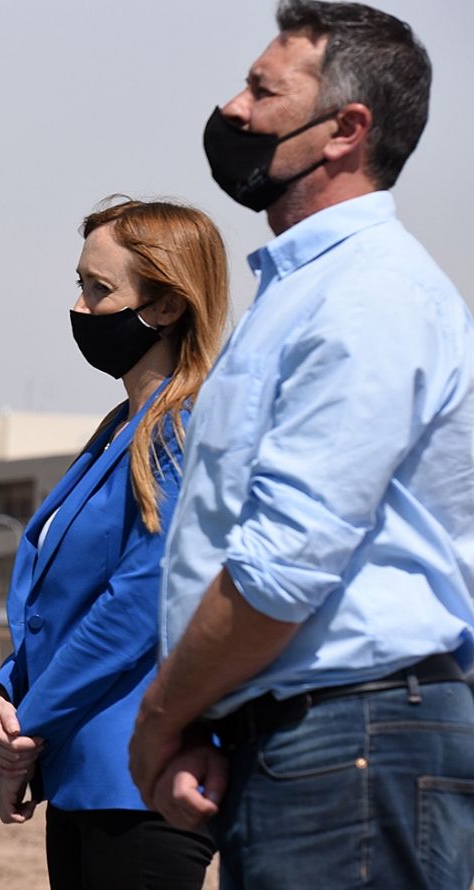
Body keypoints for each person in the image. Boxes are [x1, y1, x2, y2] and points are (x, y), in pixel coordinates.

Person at [129, 3, 474, 888]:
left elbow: (285, 564)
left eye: (262, 91)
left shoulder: (367, 296)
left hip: (352, 737)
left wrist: (161, 718)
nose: (233, 109)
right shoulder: (303, 291)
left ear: (346, 130)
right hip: (311, 740)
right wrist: (208, 720)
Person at [0, 199, 227, 888]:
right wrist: (1, 689)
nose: (79, 307)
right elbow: (61, 606)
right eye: (80, 284)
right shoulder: (121, 428)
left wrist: (26, 727)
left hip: (138, 784)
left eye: (99, 289)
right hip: (82, 777)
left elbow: (136, 606)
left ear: (167, 305)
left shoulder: (183, 431)